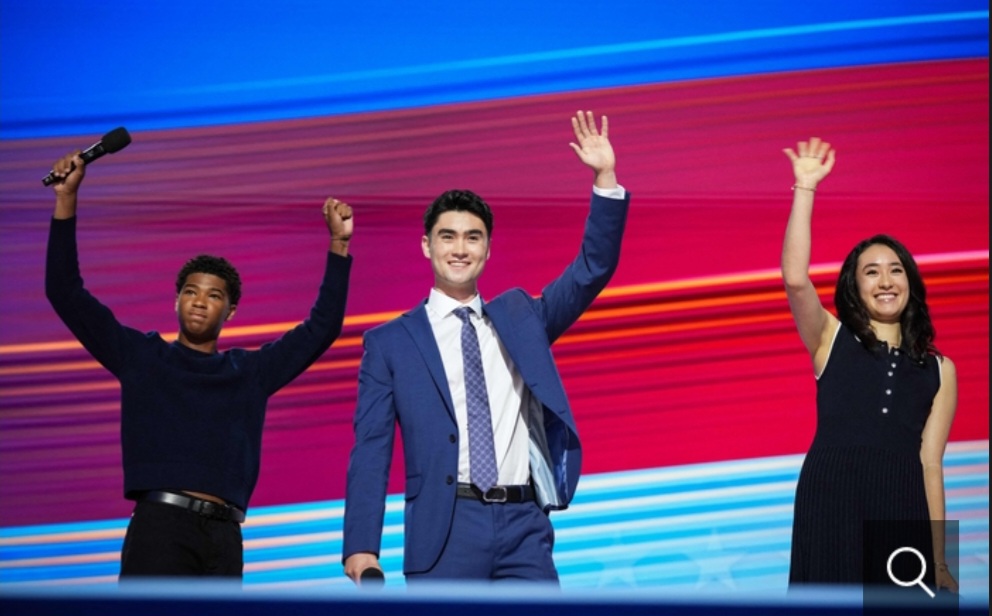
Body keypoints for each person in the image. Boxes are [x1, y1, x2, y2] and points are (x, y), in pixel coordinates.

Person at [342, 110, 629, 584]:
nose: (460, 249)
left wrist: (605, 179)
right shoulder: (389, 343)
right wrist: (361, 547)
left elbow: (591, 270)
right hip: (445, 529)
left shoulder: (522, 318)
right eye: (448, 237)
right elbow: (371, 448)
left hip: (524, 527)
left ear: (488, 249)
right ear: (426, 246)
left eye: (473, 238)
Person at [44, 149, 354, 579]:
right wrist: (66, 199)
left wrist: (339, 244)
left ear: (231, 311)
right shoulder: (142, 357)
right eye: (190, 292)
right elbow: (65, 291)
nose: (199, 302)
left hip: (224, 538)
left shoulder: (249, 373)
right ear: (176, 301)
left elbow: (322, 328)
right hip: (160, 530)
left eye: (213, 295)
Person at [781, 137, 958, 592]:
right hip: (830, 498)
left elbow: (931, 465)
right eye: (871, 271)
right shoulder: (831, 338)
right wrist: (805, 188)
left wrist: (939, 558)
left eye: (895, 269)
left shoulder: (940, 368)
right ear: (854, 286)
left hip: (902, 504)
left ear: (910, 281)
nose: (885, 280)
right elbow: (796, 280)